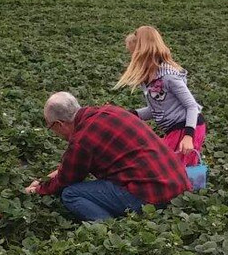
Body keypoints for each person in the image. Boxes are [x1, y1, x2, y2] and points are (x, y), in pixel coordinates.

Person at [24, 92, 190, 222]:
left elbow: (66, 179)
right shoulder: (110, 111)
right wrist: (55, 174)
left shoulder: (82, 139)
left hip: (152, 194)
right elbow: (70, 168)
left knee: (70, 194)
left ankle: (109, 227)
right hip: (179, 186)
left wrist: (38, 189)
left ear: (59, 124)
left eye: (51, 127)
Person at [115, 25, 206, 165]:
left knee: (166, 169)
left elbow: (192, 106)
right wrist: (129, 115)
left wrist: (188, 136)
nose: (132, 58)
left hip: (185, 128)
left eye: (133, 54)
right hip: (175, 129)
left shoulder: (168, 77)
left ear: (142, 53)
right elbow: (159, 109)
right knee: (168, 170)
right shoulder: (150, 78)